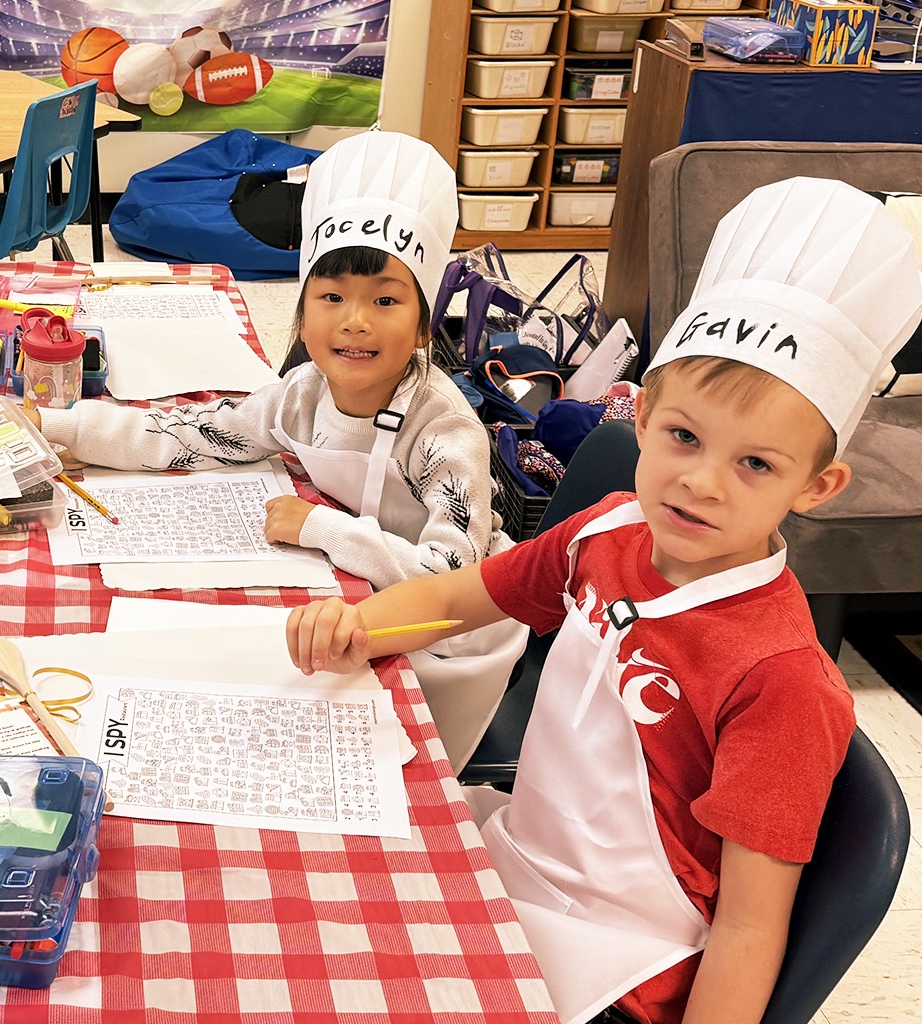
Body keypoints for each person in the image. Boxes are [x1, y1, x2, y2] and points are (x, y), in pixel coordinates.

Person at [283, 177, 922, 1024]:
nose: (701, 482)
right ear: (644, 412)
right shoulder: (608, 532)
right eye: (685, 437)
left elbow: (749, 927)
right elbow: (467, 594)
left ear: (818, 485)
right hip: (520, 856)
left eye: (756, 464)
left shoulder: (781, 681)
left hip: (622, 967)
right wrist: (356, 625)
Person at [32, 131, 526, 769]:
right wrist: (63, 425)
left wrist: (324, 526)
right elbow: (194, 436)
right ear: (299, 317)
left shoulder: (442, 429)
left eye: (385, 299)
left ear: (424, 322)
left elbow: (449, 582)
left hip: (442, 645)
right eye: (331, 297)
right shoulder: (303, 393)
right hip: (349, 597)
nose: (355, 320)